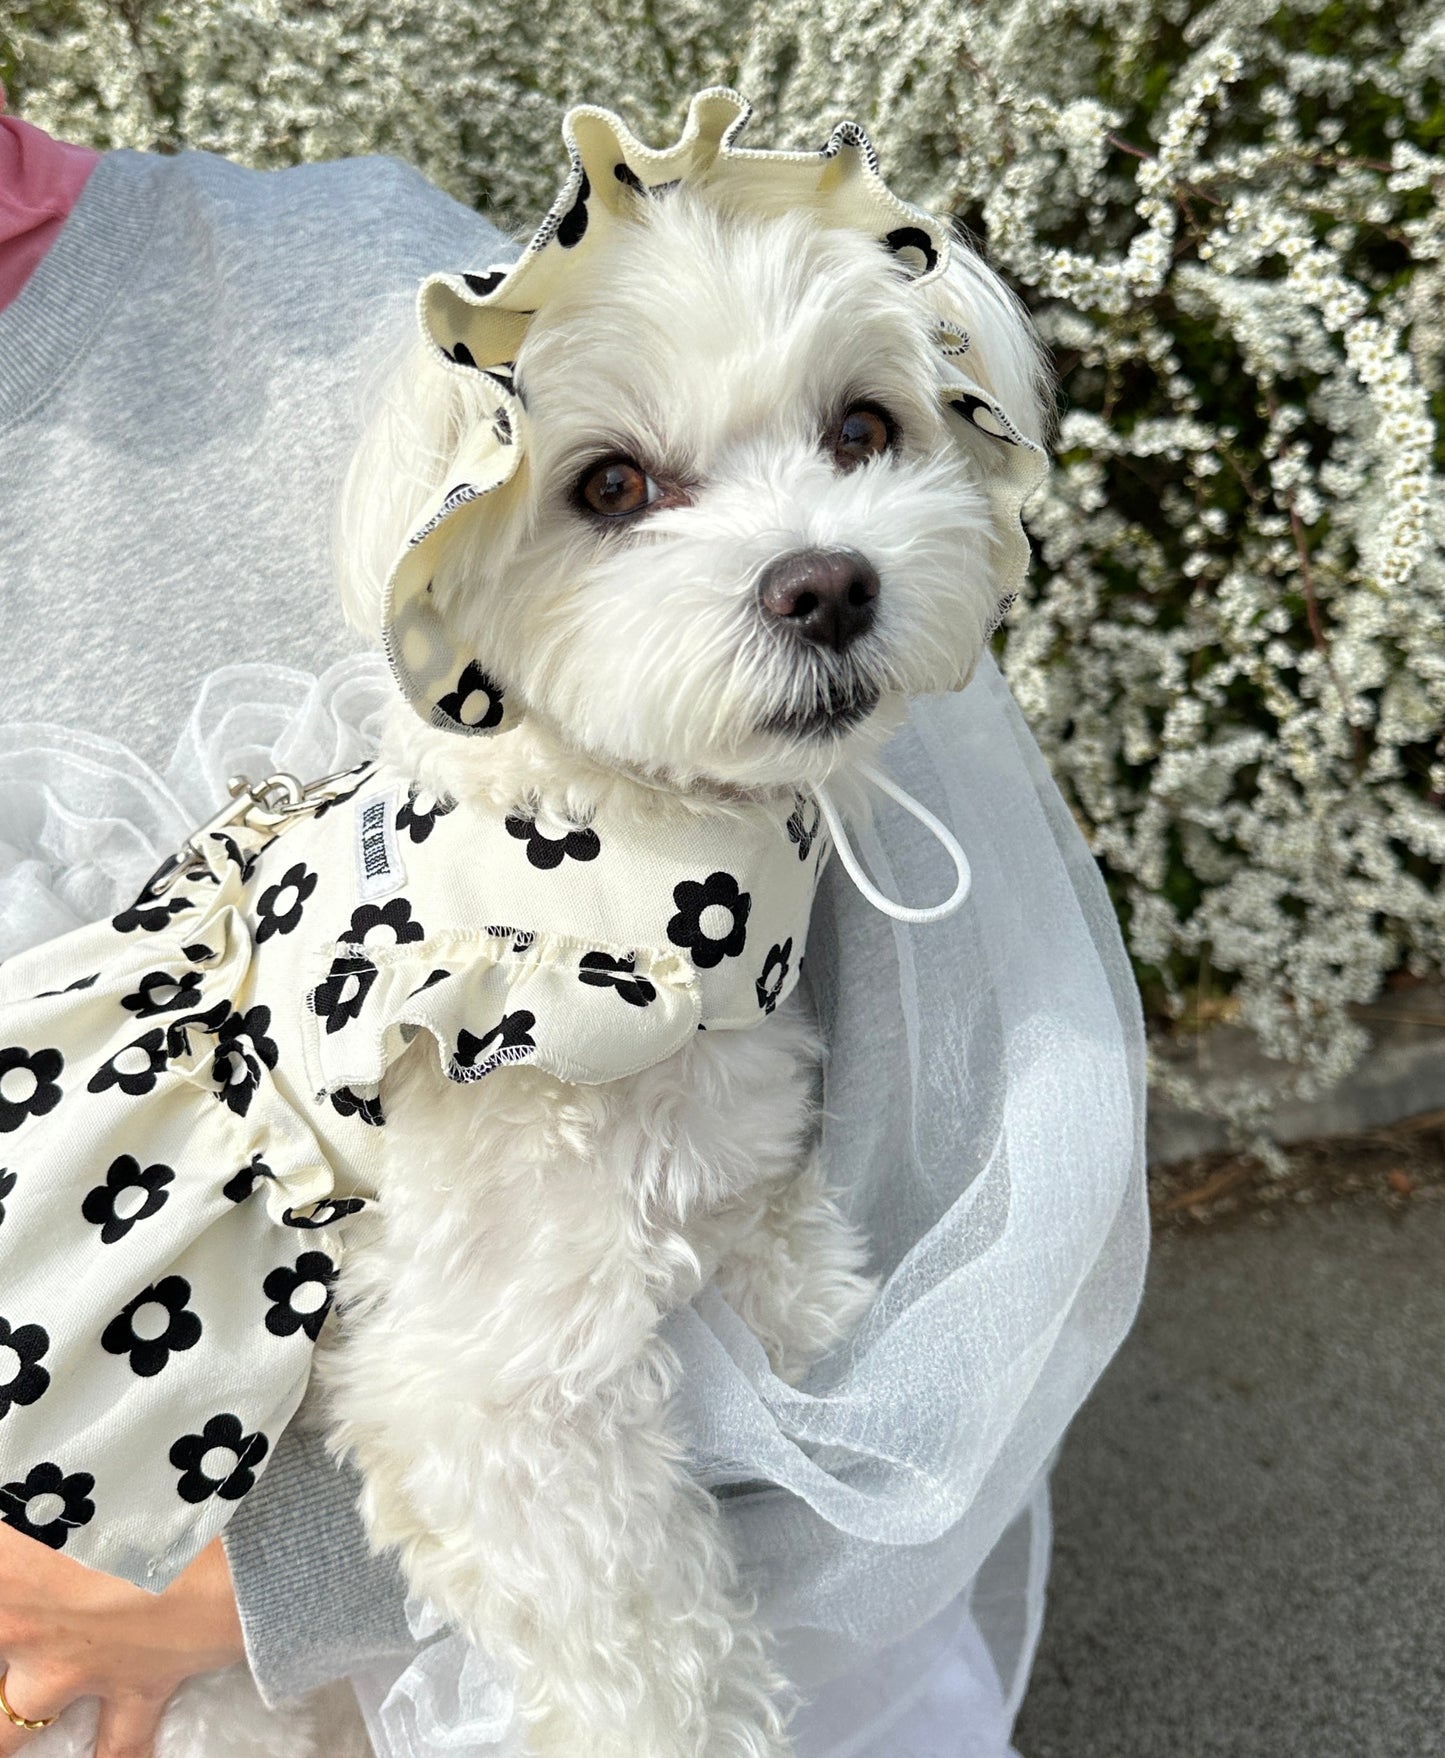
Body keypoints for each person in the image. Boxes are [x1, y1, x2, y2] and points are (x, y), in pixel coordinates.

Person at [0, 98, 1146, 1758]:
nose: (807, 554)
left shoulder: (404, 297)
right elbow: (491, 1398)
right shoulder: (526, 958)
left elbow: (939, 1142)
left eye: (855, 432)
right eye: (624, 487)